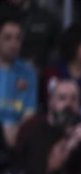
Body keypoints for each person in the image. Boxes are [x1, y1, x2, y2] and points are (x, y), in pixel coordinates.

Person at [0, 15, 37, 148]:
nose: (14, 44)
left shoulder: (29, 73)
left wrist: (17, 132)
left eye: (18, 38)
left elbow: (29, 114)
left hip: (18, 136)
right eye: (8, 38)